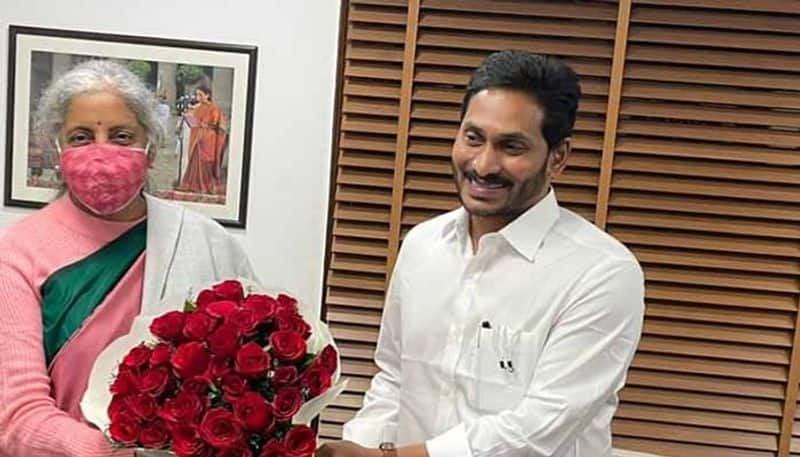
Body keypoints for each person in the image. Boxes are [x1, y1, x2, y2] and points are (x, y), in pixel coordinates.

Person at [319, 50, 645, 457]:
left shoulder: (602, 272)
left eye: (511, 146)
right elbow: (394, 379)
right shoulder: (422, 245)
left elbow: (538, 429)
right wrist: (359, 445)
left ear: (557, 158)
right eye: (473, 138)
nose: (484, 164)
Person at [0, 60, 257, 456]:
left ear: (150, 150)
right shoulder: (18, 251)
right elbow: (17, 416)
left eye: (121, 136)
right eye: (82, 137)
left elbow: (251, 373)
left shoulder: (206, 242)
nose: (101, 153)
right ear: (58, 150)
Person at [178, 85, 227, 194]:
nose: (198, 97)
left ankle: (206, 186)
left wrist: (205, 124)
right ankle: (192, 184)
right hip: (197, 137)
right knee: (195, 161)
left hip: (209, 138)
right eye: (197, 94)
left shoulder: (214, 108)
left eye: (200, 94)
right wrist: (189, 117)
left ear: (207, 95)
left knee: (206, 162)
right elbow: (194, 122)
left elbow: (216, 124)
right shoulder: (198, 108)